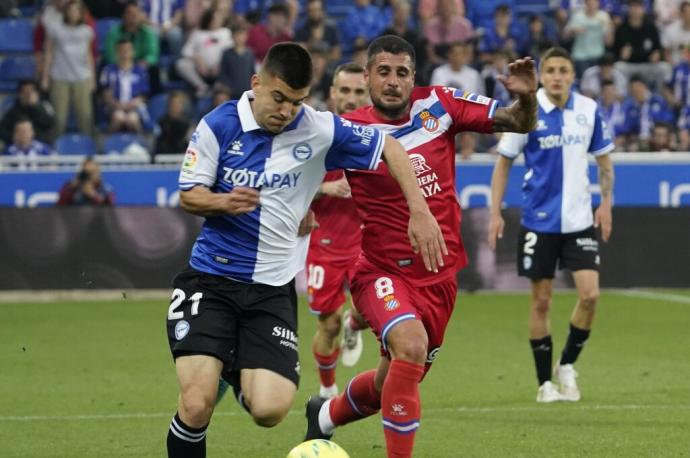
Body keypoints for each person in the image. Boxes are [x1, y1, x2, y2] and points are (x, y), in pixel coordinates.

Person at [164, 42, 446, 458]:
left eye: (296, 102)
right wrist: (224, 202)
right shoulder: (218, 125)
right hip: (211, 281)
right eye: (278, 98)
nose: (286, 110)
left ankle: (233, 362)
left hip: (271, 291)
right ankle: (218, 366)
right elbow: (189, 195)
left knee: (271, 411)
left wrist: (419, 211)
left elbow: (391, 147)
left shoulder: (318, 128)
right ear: (256, 84)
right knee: (196, 403)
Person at [304, 35, 537, 458]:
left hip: (440, 277)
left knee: (389, 382)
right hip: (380, 271)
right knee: (409, 346)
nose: (393, 82)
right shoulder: (348, 129)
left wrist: (528, 98)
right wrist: (302, 207)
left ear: (414, 77)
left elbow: (518, 122)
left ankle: (323, 417)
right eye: (384, 72)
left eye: (402, 73)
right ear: (369, 75)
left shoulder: (440, 105)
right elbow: (297, 167)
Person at [488, 47, 615, 403]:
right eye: (552, 70)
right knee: (541, 302)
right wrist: (495, 211)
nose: (558, 76)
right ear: (543, 75)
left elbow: (605, 162)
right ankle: (545, 384)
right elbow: (503, 163)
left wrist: (606, 203)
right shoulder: (527, 110)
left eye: (564, 70)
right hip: (538, 221)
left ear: (573, 76)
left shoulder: (588, 110)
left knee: (590, 295)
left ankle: (567, 363)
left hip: (579, 221)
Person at [306, 63, 371, 399]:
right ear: (332, 93)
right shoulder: (315, 134)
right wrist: (325, 189)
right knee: (327, 325)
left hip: (367, 243)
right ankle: (328, 389)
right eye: (344, 91)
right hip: (324, 244)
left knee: (366, 313)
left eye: (359, 91)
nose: (351, 98)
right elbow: (288, 185)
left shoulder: (380, 134)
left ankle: (354, 325)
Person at [100, 38, 151, 133]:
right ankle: (108, 143)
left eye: (128, 49)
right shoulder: (108, 70)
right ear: (117, 52)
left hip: (134, 106)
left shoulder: (140, 71)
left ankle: (141, 143)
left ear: (133, 52)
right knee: (118, 117)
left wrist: (131, 104)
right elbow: (105, 94)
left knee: (133, 119)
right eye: (122, 50)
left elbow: (144, 95)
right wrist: (117, 104)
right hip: (115, 106)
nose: (125, 53)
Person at [0, 80, 55, 146]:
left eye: (31, 91)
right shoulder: (13, 109)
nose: (28, 95)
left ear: (37, 93)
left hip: (41, 146)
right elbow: (2, 129)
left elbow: (51, 123)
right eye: (24, 91)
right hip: (18, 146)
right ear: (19, 94)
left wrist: (35, 107)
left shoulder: (44, 106)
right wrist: (14, 139)